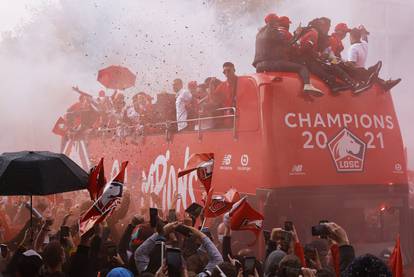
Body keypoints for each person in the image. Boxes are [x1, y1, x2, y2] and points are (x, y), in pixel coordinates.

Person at [253, 14, 323, 96]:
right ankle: (307, 85)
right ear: (274, 22)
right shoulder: (273, 31)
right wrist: (297, 34)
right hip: (271, 63)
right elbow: (289, 44)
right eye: (277, 21)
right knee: (302, 67)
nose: (278, 23)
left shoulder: (259, 34)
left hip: (259, 66)